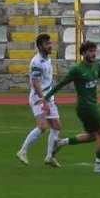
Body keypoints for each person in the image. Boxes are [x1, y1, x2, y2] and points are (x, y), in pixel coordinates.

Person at [46, 41, 100, 174]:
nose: (93, 53)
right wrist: (46, 97)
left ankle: (61, 142)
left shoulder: (97, 66)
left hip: (90, 106)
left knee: (92, 136)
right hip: (86, 107)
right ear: (84, 53)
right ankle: (99, 166)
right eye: (90, 51)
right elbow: (61, 84)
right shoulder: (77, 70)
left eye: (94, 51)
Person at [17, 33, 61, 168]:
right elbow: (35, 84)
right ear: (40, 46)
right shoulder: (36, 62)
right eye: (47, 44)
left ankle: (49, 156)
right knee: (42, 126)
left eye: (50, 43)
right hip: (39, 98)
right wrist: (44, 101)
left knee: (57, 126)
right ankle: (22, 151)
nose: (50, 46)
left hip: (48, 97)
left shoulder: (47, 58)